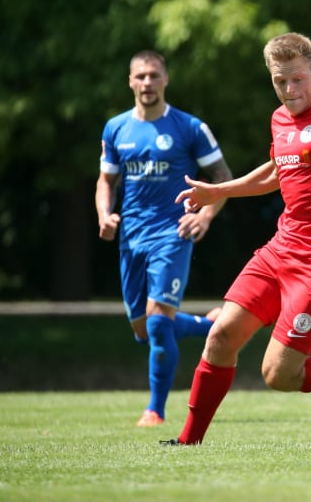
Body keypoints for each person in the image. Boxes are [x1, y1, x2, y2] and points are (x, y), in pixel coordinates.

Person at [161, 32, 311, 446]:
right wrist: (218, 191)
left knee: (278, 374)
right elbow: (277, 172)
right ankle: (187, 443)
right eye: (280, 82)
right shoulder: (279, 118)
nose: (290, 90)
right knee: (220, 337)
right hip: (280, 250)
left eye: (297, 79)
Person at [96, 50, 234, 427]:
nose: (147, 83)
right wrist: (104, 215)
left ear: (165, 79)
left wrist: (204, 215)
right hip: (131, 238)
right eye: (140, 76)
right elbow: (106, 181)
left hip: (173, 233)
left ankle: (155, 409)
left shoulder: (189, 127)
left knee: (158, 324)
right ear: (130, 81)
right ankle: (207, 326)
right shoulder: (116, 128)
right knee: (144, 329)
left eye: (154, 75)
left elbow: (222, 177)